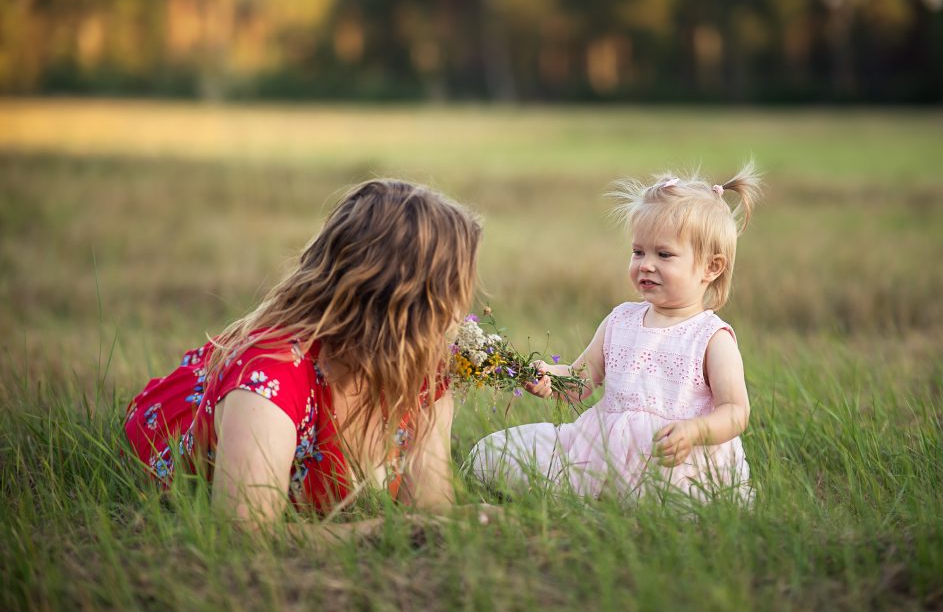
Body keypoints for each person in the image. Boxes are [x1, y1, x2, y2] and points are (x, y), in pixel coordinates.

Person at [124, 179, 483, 535]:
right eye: (451, 294)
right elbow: (243, 533)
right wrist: (388, 532)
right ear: (401, 305)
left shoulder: (421, 371)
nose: (460, 314)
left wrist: (482, 521)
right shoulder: (270, 378)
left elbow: (429, 509)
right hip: (187, 416)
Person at [469, 167, 761, 502]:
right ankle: (594, 493)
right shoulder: (620, 320)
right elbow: (580, 381)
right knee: (493, 453)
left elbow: (735, 411)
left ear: (711, 267)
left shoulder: (711, 337)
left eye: (664, 254)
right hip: (600, 451)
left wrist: (695, 431)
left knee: (675, 500)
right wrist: (550, 377)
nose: (646, 264)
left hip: (672, 461)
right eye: (639, 252)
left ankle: (625, 502)